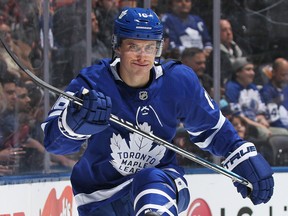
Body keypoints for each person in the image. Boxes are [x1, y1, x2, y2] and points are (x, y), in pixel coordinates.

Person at [42, 7, 273, 216]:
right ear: (117, 46)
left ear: (159, 48)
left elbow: (212, 128)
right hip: (98, 195)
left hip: (160, 184)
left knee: (150, 178)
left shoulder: (178, 80)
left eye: (149, 47)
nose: (142, 56)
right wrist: (73, 124)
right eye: (133, 46)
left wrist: (240, 154)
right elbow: (53, 143)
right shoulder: (91, 83)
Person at [225, 57, 288, 143]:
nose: (252, 73)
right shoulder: (232, 88)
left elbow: (260, 110)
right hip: (244, 126)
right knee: (265, 133)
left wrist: (262, 119)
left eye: (253, 70)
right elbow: (238, 116)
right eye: (248, 69)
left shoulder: (253, 87)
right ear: (237, 72)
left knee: (284, 133)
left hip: (257, 124)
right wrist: (259, 125)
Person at [260, 58, 288, 129]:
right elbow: (274, 119)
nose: (286, 78)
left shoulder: (286, 88)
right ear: (274, 72)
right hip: (281, 127)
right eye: (283, 75)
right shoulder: (266, 92)